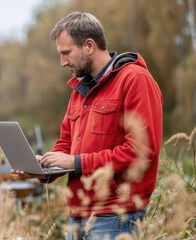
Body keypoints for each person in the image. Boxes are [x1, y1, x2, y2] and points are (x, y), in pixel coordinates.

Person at [12, 12, 163, 239]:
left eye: (66, 53)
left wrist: (76, 162)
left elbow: (141, 151)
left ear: (89, 46)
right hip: (77, 214)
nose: (63, 62)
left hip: (115, 217)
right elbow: (66, 143)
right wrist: (43, 168)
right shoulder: (80, 91)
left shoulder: (135, 80)